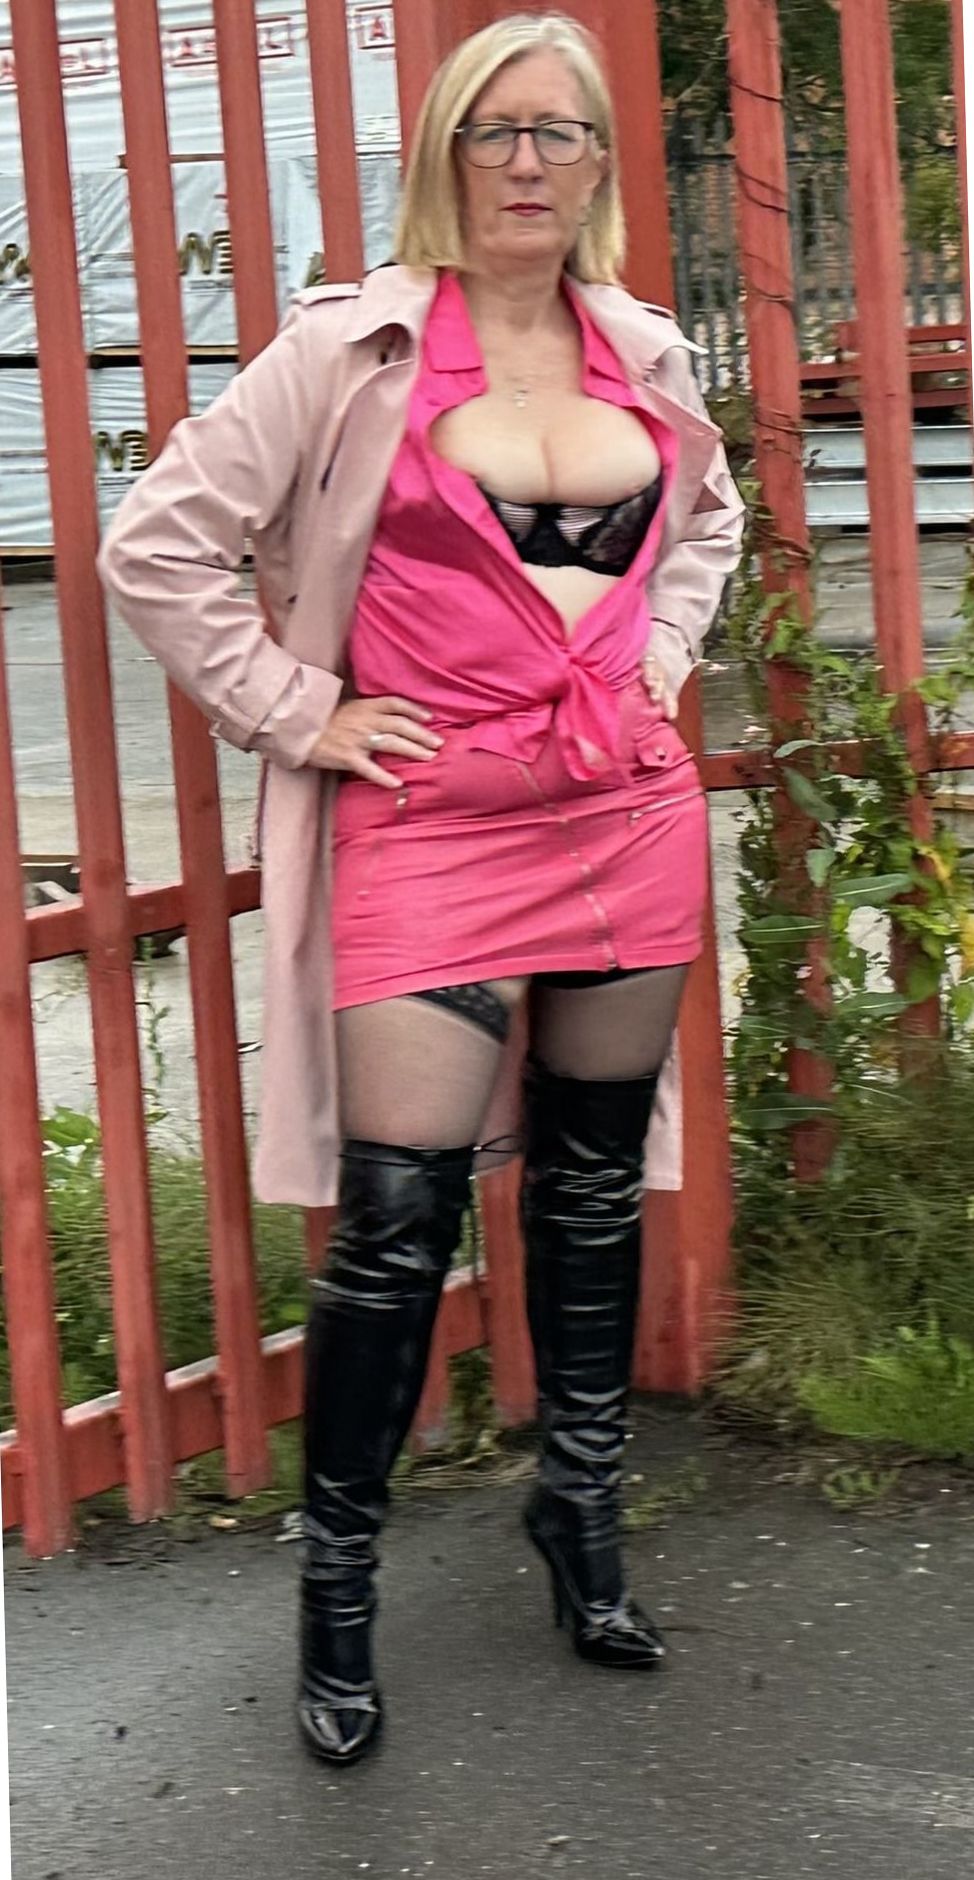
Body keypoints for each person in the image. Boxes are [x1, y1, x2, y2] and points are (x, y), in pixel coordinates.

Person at [98, 10, 744, 1771]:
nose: (528, 162)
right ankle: (340, 1596)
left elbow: (703, 522)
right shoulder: (351, 348)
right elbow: (156, 544)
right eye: (494, 131)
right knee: (395, 1230)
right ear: (447, 155)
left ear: (599, 166)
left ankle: (580, 1517)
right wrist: (296, 709)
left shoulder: (642, 351)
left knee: (591, 1196)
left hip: (624, 815)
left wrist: (660, 656)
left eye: (559, 133)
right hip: (431, 827)